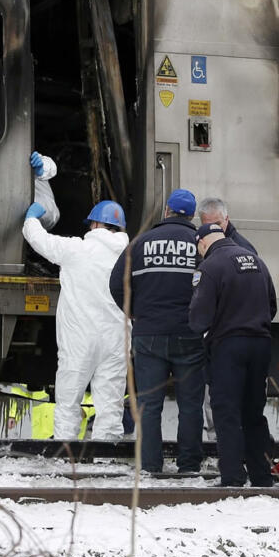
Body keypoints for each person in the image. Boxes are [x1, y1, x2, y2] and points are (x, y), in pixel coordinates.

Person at [22, 173, 129, 441]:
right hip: (117, 339)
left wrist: (31, 219)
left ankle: (66, 452)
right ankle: (106, 456)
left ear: (94, 224)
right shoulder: (130, 257)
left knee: (69, 400)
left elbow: (40, 241)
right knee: (110, 403)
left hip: (79, 340)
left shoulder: (77, 250)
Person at [109, 188, 204, 473]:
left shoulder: (140, 243)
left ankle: (150, 465)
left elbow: (116, 284)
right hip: (190, 334)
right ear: (191, 215)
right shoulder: (199, 244)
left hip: (148, 334)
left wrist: (135, 313)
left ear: (166, 212)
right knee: (190, 405)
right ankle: (189, 465)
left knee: (149, 404)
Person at [188, 222, 278, 486]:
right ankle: (262, 475)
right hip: (261, 344)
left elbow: (198, 319)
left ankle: (232, 476)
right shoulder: (257, 261)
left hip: (229, 346)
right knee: (254, 412)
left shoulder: (210, 266)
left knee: (226, 411)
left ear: (203, 243)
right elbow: (271, 305)